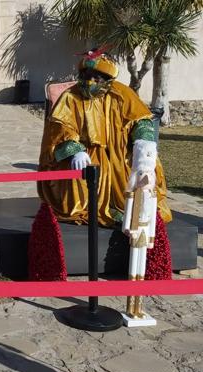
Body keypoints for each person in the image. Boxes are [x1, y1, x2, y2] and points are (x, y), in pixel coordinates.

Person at [28, 49, 172, 281]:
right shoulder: (71, 97)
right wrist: (74, 150)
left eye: (96, 77)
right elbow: (59, 129)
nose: (90, 81)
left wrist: (143, 141)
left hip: (118, 153)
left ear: (107, 80)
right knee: (79, 181)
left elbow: (141, 120)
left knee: (143, 169)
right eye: (87, 76)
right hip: (84, 155)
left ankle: (127, 213)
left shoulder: (122, 94)